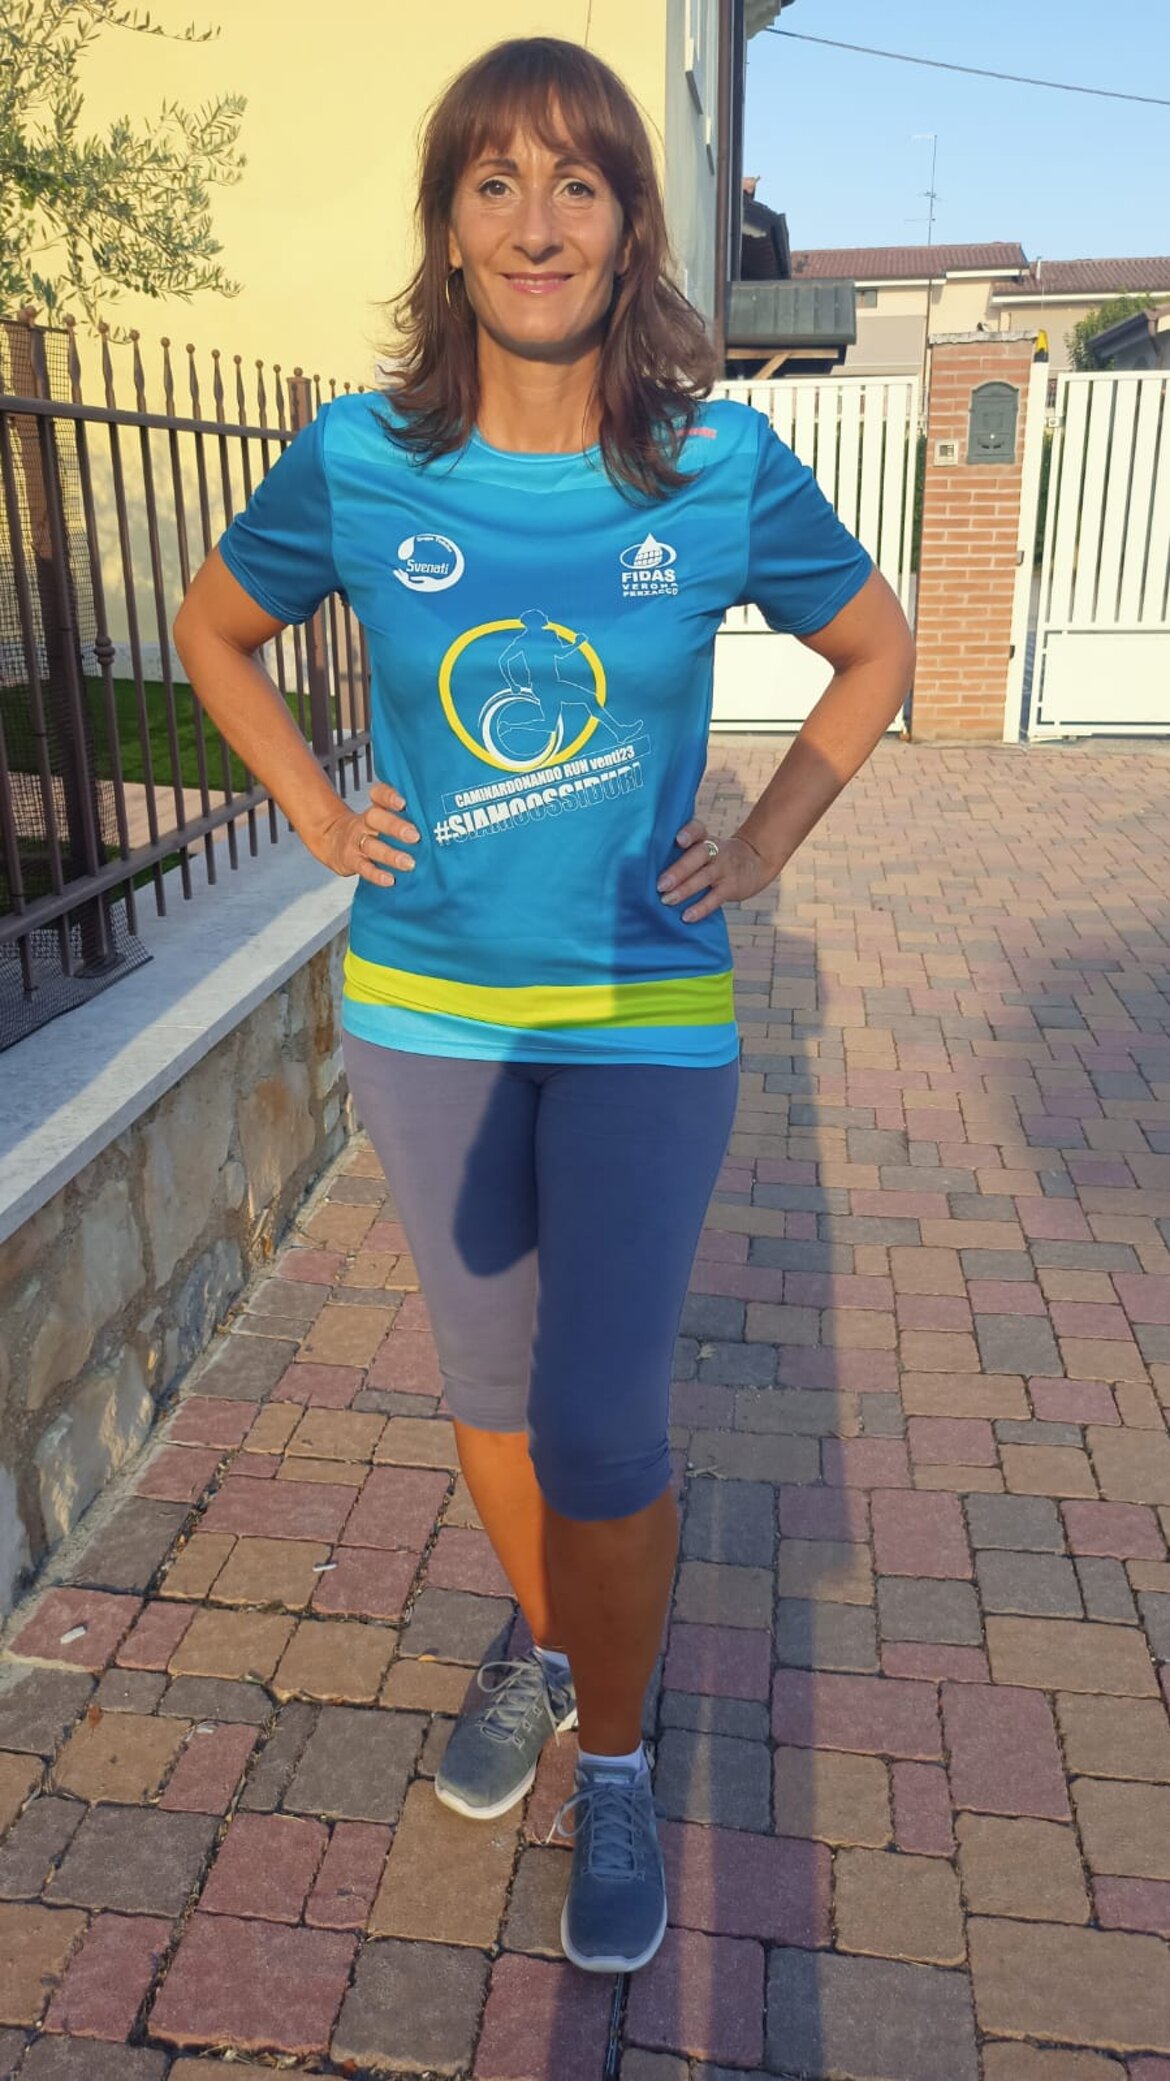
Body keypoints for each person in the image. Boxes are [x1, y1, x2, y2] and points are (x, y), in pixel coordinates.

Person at [174, 34, 914, 1976]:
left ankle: (618, 1758)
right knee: (492, 1399)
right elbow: (214, 629)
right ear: (446, 228)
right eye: (492, 181)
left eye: (575, 181)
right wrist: (315, 804)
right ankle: (551, 1639)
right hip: (426, 1015)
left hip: (643, 1021)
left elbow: (874, 647)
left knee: (599, 1422)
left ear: (627, 225)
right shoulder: (361, 460)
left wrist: (768, 840)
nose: (533, 220)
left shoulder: (716, 467)